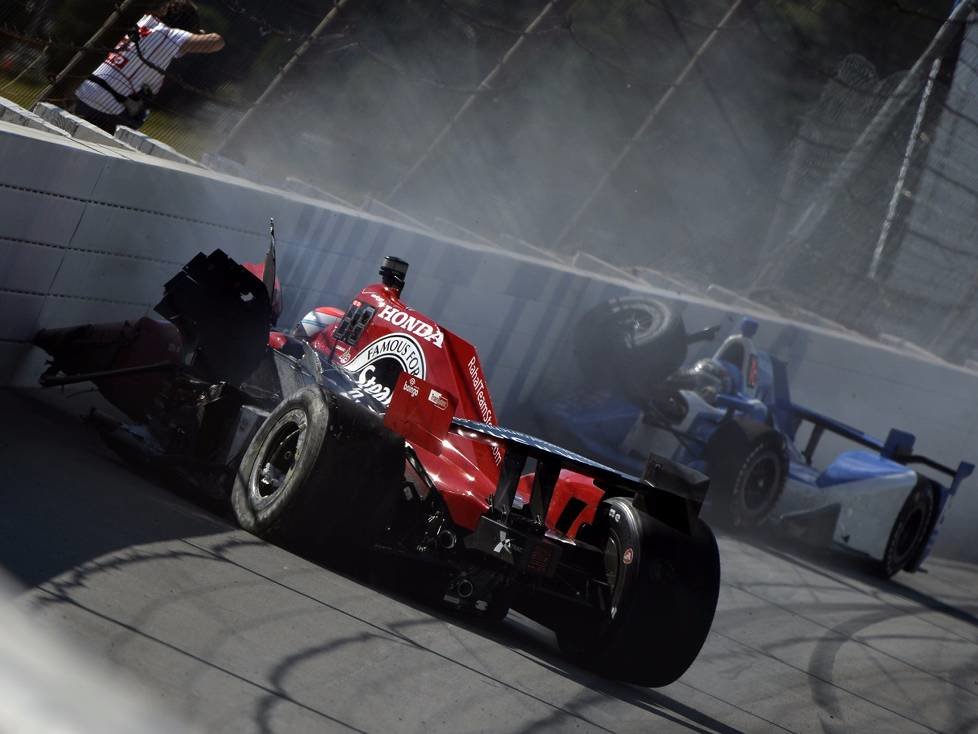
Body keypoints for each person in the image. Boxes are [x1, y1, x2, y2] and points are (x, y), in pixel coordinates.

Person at [72, 0, 224, 134]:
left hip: (79, 89)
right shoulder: (172, 35)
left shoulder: (142, 19)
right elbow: (217, 42)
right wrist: (195, 33)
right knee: (143, 106)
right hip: (108, 109)